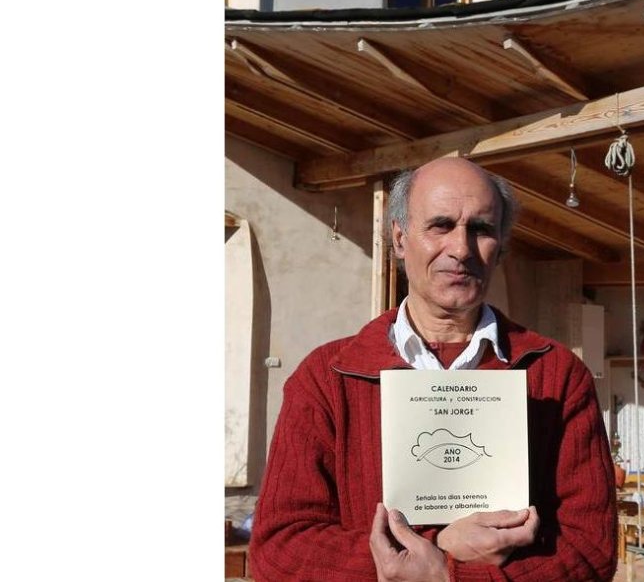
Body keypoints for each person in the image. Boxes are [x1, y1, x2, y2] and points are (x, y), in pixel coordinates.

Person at [249, 158, 618, 581]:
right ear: (400, 238)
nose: (461, 249)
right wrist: (435, 550)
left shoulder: (557, 375)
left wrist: (448, 575)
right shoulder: (327, 377)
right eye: (441, 225)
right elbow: (279, 550)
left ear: (502, 244)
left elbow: (589, 551)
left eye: (480, 229)